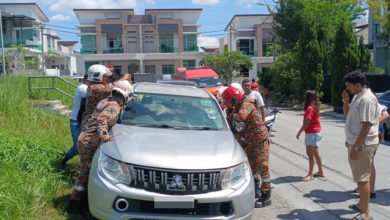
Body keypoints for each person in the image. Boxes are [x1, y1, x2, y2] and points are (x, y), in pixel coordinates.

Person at [68, 80, 134, 213]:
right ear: (125, 94)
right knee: (85, 173)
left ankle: (81, 201)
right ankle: (74, 205)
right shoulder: (114, 106)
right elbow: (102, 118)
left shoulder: (107, 100)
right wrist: (104, 134)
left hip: (84, 137)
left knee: (86, 170)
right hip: (89, 141)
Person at [222, 86, 271, 208]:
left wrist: (230, 114)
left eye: (228, 102)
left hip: (259, 139)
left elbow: (241, 117)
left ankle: (266, 194)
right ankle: (256, 189)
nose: (227, 105)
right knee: (252, 166)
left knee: (262, 166)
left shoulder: (246, 104)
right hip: (248, 140)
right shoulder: (236, 107)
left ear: (234, 100)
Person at [342, 71, 379, 220]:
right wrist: (345, 101)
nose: (347, 89)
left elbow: (366, 126)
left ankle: (365, 214)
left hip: (363, 145)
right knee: (360, 177)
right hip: (356, 142)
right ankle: (361, 205)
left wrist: (356, 146)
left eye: (349, 86)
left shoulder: (367, 99)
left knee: (363, 179)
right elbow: (348, 116)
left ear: (358, 85)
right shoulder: (358, 96)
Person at [60, 74, 89, 168]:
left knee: (86, 145)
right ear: (87, 80)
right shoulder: (82, 88)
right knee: (78, 146)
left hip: (84, 121)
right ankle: (64, 160)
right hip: (76, 121)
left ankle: (83, 166)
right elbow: (91, 94)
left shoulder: (89, 88)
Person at [296, 90, 324, 181]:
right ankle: (320, 171)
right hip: (317, 132)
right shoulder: (315, 106)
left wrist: (299, 131)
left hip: (312, 133)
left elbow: (307, 122)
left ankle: (310, 174)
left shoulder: (310, 108)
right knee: (315, 153)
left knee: (310, 154)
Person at [81, 64, 113, 130]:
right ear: (98, 76)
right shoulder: (94, 87)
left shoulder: (93, 86)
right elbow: (113, 88)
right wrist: (122, 81)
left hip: (94, 122)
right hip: (91, 124)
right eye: (105, 76)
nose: (107, 78)